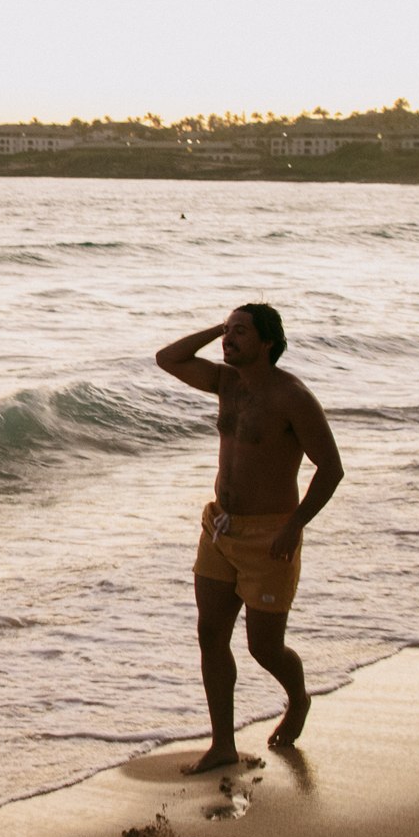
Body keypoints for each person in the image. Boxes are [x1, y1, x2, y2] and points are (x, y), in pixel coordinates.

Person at [156, 305, 342, 773]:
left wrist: (294, 525)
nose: (228, 339)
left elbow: (331, 469)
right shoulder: (226, 384)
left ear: (267, 343)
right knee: (210, 634)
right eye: (227, 330)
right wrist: (219, 327)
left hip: (270, 537)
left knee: (264, 647)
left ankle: (298, 698)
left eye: (240, 332)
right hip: (219, 527)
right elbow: (168, 358)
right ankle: (223, 745)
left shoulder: (292, 397)